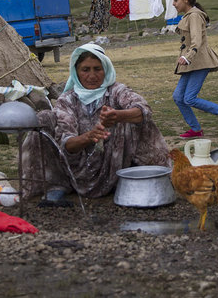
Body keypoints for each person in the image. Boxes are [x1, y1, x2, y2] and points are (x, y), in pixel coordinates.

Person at [21, 43, 170, 204]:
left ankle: (151, 176)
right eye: (85, 70)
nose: (92, 75)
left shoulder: (116, 91)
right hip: (76, 168)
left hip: (114, 163)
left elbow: (144, 109)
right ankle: (55, 185)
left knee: (138, 119)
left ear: (106, 69)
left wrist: (119, 116)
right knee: (43, 117)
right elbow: (67, 144)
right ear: (76, 72)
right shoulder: (67, 100)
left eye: (97, 69)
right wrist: (89, 137)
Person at [171, 0, 218, 138]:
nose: (173, 4)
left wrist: (187, 56)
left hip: (199, 61)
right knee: (178, 97)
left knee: (189, 98)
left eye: (175, 0)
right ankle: (196, 129)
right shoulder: (189, 15)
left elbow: (196, 41)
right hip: (190, 63)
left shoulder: (194, 16)